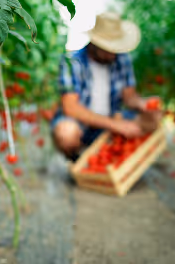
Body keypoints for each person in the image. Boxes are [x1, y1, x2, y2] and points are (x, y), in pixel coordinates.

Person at [52, 12, 162, 161]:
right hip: (82, 124)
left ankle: (118, 155)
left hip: (112, 118)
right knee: (66, 133)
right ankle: (77, 160)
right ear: (94, 43)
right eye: (108, 49)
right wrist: (116, 125)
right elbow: (70, 107)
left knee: (154, 117)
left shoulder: (122, 59)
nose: (113, 55)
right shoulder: (72, 62)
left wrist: (142, 104)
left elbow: (129, 96)